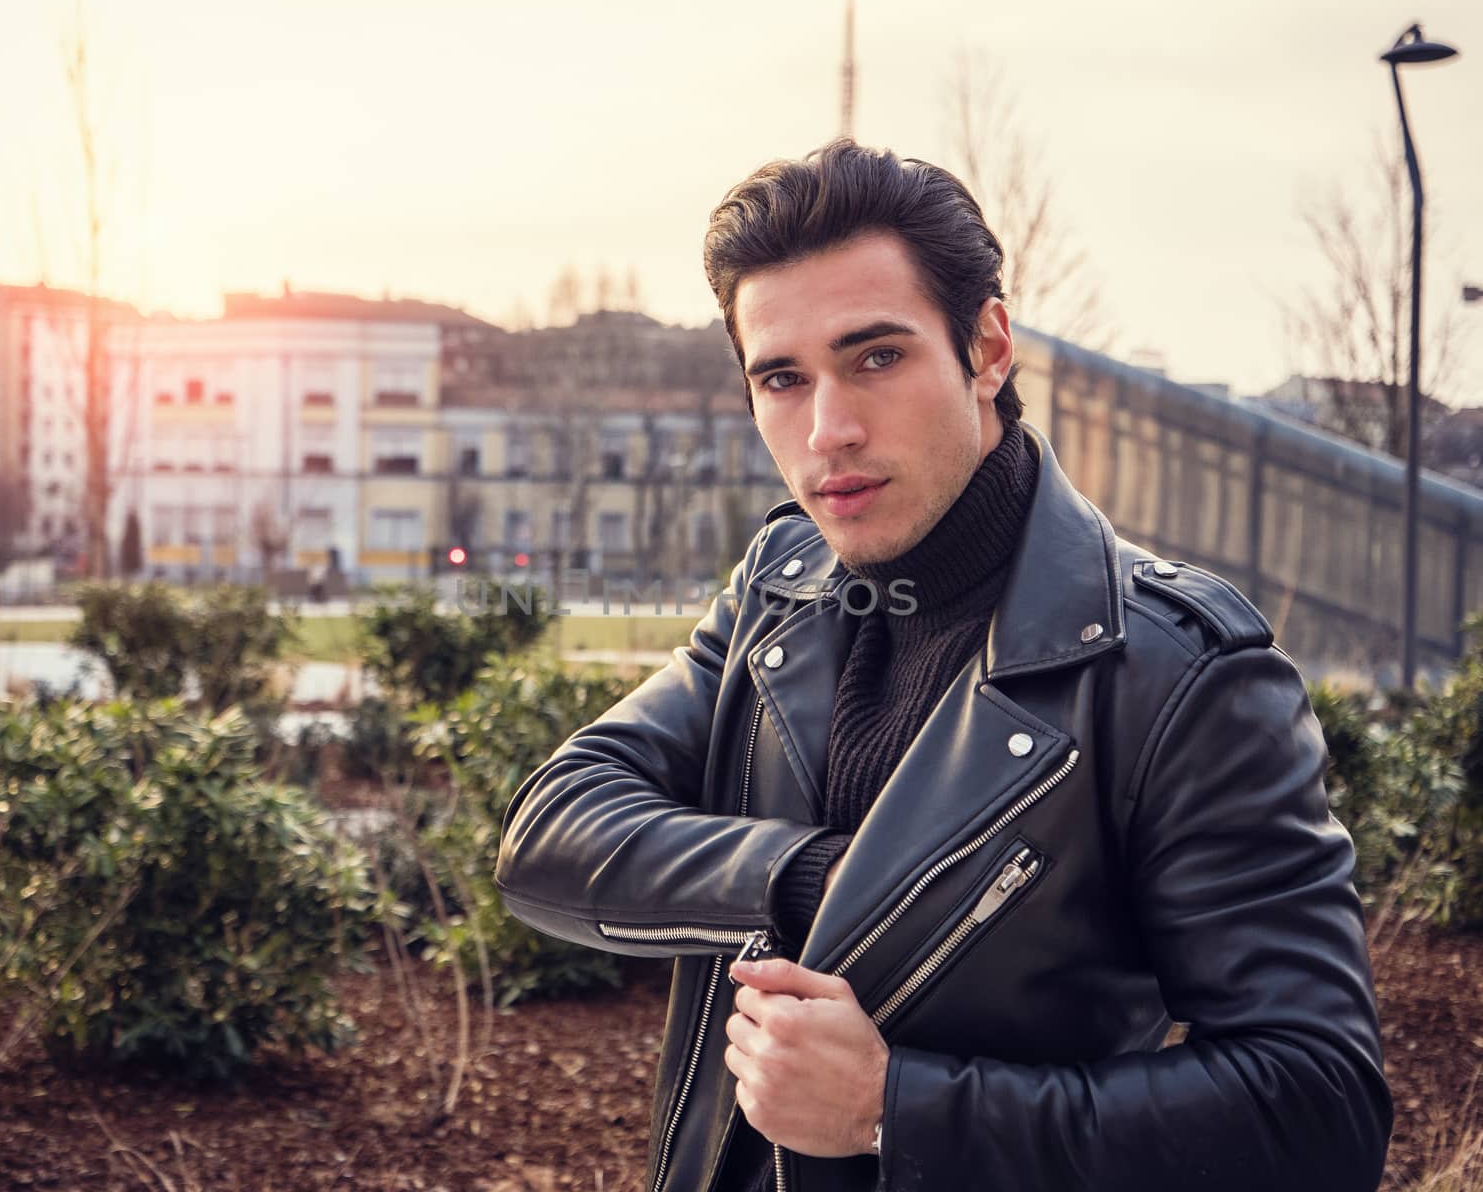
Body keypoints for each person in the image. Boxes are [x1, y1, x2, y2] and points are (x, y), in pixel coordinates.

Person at [495, 139, 1391, 1192]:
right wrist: (805, 880)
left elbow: (1317, 1107)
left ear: (989, 348)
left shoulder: (1175, 673)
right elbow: (551, 828)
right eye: (782, 378)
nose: (827, 430)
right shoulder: (779, 583)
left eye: (875, 356)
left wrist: (898, 1110)